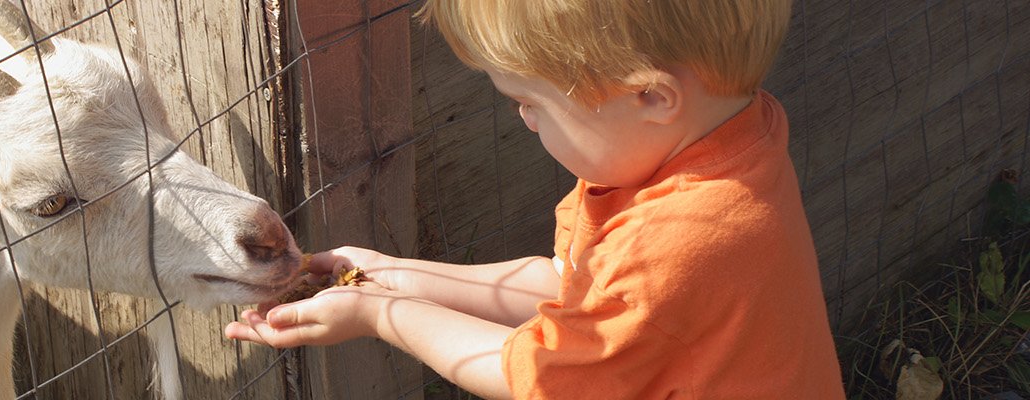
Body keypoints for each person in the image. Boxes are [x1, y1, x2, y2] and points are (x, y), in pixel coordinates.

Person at [225, 0, 845, 398]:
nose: (524, 120)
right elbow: (568, 285)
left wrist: (380, 315)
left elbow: (533, 375)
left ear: (651, 97)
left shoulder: (679, 242)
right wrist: (390, 275)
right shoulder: (729, 138)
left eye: (535, 102)